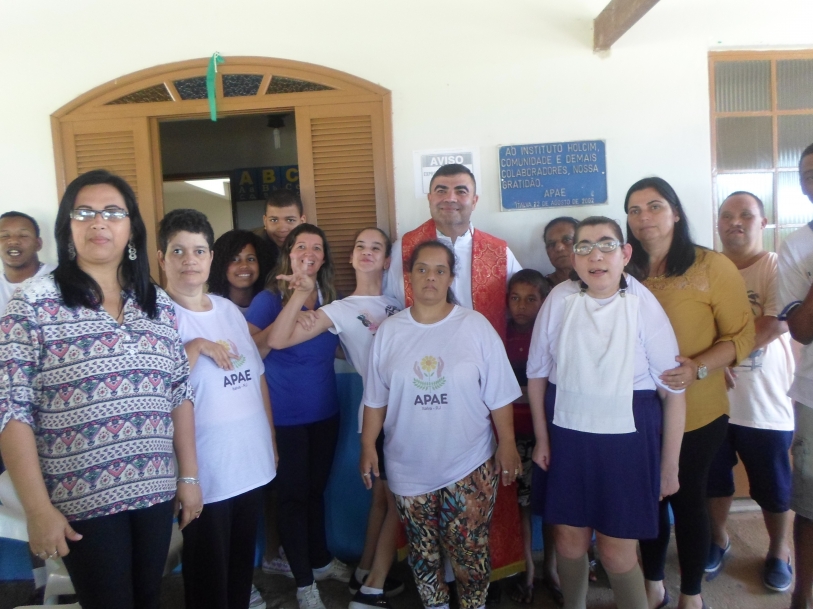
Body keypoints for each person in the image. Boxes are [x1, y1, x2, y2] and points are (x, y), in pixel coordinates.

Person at [0, 169, 201, 609]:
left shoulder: (156, 303)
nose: (98, 222)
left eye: (112, 212)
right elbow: (12, 411)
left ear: (131, 229)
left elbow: (179, 393)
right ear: (67, 228)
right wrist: (37, 509)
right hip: (82, 499)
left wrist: (188, 477)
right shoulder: (33, 303)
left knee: (148, 598)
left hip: (153, 489)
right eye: (84, 212)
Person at [527, 216, 685, 609]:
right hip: (568, 434)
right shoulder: (559, 299)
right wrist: (542, 440)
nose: (595, 256)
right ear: (574, 258)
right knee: (569, 540)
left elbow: (673, 393)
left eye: (606, 245)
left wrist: (669, 466)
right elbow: (537, 375)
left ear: (625, 253)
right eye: (584, 247)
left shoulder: (643, 304)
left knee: (617, 551)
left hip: (628, 439)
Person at [384, 163, 525, 602]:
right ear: (429, 197)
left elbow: (522, 308)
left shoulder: (499, 251)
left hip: (478, 397)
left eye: (461, 190)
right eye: (441, 189)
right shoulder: (406, 248)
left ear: (474, 199)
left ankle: (478, 590)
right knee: (424, 531)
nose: (451, 198)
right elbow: (392, 313)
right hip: (423, 406)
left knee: (474, 519)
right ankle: (435, 594)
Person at [624, 177, 755, 609]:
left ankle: (691, 594)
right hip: (639, 413)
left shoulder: (710, 266)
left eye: (655, 206)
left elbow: (741, 335)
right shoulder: (623, 270)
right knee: (649, 501)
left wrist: (699, 367)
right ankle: (653, 585)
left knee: (687, 498)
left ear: (676, 213)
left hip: (698, 410)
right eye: (634, 209)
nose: (644, 217)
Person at [266, 226, 403, 609]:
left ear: (387, 260)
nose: (367, 252)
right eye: (360, 246)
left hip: (414, 412)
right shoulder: (338, 309)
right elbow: (277, 340)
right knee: (395, 499)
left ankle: (365, 572)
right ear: (350, 256)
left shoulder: (399, 303)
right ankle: (371, 586)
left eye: (376, 247)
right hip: (379, 414)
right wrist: (301, 295)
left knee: (384, 498)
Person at [158, 210, 278, 609]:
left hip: (249, 460)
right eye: (178, 251)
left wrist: (270, 442)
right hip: (205, 471)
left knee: (240, 571)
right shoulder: (156, 317)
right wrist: (195, 348)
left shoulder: (227, 310)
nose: (189, 260)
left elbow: (257, 376)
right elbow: (156, 390)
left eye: (198, 251)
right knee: (208, 578)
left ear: (210, 257)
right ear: (161, 258)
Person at [247, 223, 351, 609]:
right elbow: (254, 351)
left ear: (324, 258)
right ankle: (304, 584)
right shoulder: (268, 299)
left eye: (316, 248)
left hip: (326, 412)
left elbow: (341, 347)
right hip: (284, 418)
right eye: (301, 246)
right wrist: (295, 303)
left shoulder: (331, 299)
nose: (309, 253)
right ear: (288, 253)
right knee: (291, 499)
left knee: (315, 492)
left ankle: (320, 562)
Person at [706, 192, 794, 592]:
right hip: (713, 403)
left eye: (745, 215)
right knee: (714, 480)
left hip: (765, 403)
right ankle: (719, 539)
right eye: (727, 215)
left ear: (763, 222)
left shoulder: (775, 265)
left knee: (774, 488)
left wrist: (721, 357)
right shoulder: (708, 269)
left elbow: (776, 322)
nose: (735, 222)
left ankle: (778, 551)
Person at [502, 270, 556, 606]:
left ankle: (552, 567)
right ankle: (528, 568)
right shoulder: (500, 336)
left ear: (544, 301)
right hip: (511, 434)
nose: (521, 306)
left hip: (545, 433)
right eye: (515, 298)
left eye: (531, 299)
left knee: (551, 503)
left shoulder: (551, 335)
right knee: (519, 504)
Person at [777, 142, 813, 609]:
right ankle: (802, 596)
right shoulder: (797, 247)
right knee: (810, 505)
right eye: (807, 173)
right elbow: (800, 329)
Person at [0, 211, 56, 313]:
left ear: (38, 244)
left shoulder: (61, 279)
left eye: (23, 235)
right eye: (4, 235)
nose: (13, 241)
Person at [209, 229, 275, 314]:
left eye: (251, 259)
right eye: (234, 259)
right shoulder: (210, 306)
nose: (244, 265)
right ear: (220, 265)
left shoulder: (271, 302)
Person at [253, 189, 307, 269]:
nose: (282, 229)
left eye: (290, 220)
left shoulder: (314, 247)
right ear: (265, 221)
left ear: (302, 221)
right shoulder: (252, 248)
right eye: (274, 220)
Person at [542, 217, 578, 288]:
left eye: (567, 240)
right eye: (551, 244)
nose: (558, 248)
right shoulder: (540, 289)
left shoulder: (596, 282)